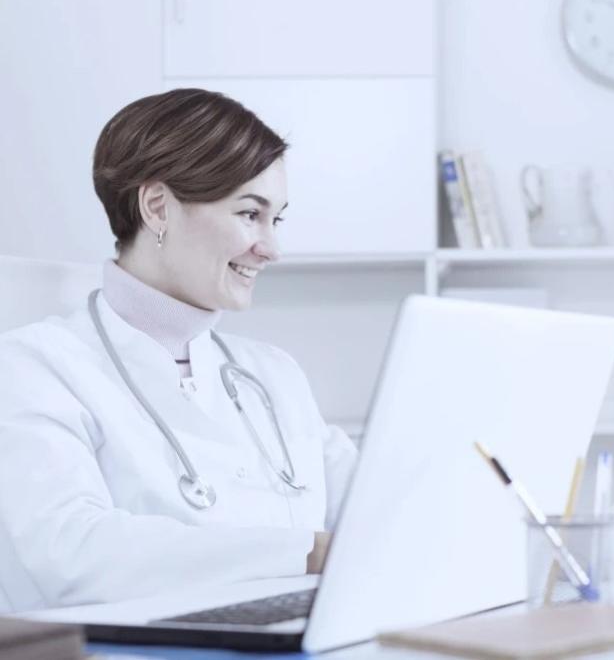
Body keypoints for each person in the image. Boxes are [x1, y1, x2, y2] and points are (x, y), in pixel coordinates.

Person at [0, 89, 356, 613]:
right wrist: (303, 552)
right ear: (157, 206)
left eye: (275, 219)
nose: (271, 249)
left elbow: (380, 506)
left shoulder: (274, 375)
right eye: (249, 214)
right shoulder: (34, 368)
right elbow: (70, 554)